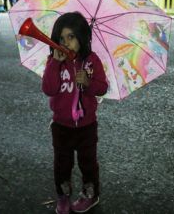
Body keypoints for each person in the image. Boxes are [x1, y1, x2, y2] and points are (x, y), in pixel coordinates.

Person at [42, 12, 108, 214]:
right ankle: (63, 197)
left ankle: (90, 194)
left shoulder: (92, 61)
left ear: (82, 37)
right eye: (61, 38)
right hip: (61, 126)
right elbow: (48, 89)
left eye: (71, 37)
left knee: (88, 164)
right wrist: (54, 62)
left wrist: (88, 83)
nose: (66, 43)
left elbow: (102, 88)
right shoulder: (53, 61)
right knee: (62, 165)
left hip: (87, 126)